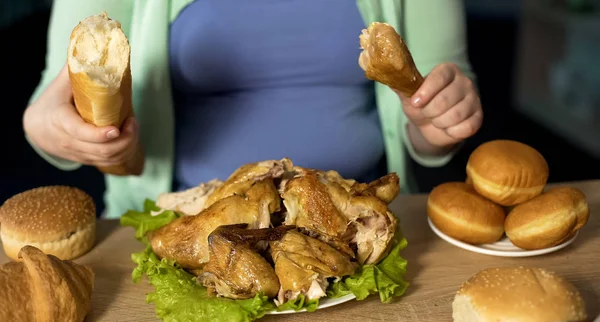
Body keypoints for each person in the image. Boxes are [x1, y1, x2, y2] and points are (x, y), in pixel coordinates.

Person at [23, 0, 482, 218]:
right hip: (182, 222)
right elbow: (58, 99)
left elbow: (435, 109)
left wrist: (437, 123)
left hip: (364, 220)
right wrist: (50, 129)